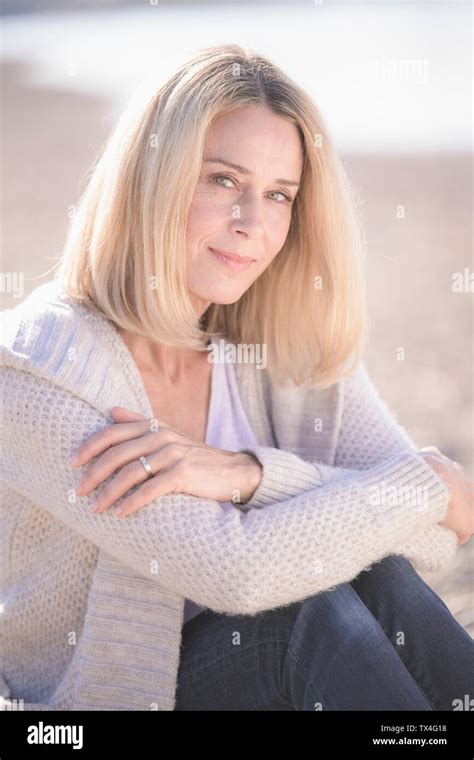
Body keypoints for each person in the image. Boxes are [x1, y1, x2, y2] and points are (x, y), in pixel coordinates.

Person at [1, 44, 472, 712]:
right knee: (303, 614)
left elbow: (443, 526)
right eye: (223, 179)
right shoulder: (38, 367)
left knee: (385, 581)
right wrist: (408, 492)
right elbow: (240, 572)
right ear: (153, 175)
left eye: (279, 194)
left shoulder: (280, 345)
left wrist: (250, 475)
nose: (253, 224)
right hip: (111, 704)